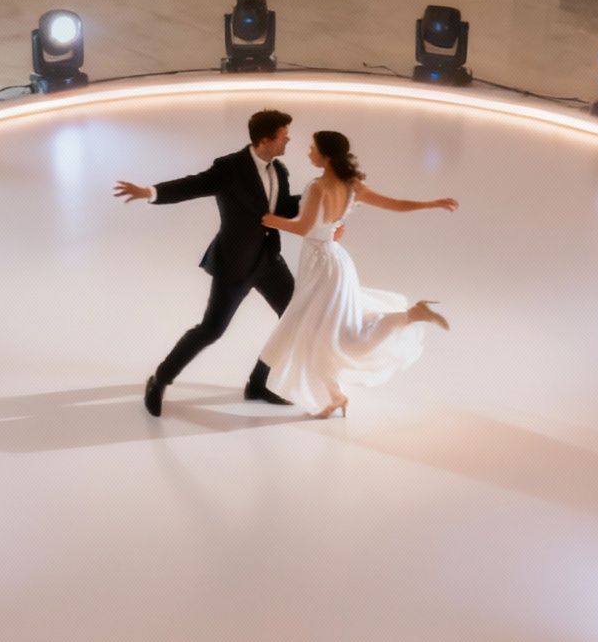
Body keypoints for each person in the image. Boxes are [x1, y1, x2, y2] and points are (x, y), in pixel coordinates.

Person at [114, 109, 305, 417]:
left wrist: (319, 198)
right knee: (211, 330)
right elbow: (192, 185)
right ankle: (160, 379)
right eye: (284, 136)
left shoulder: (278, 170)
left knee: (295, 319)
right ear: (265, 139)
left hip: (269, 261)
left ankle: (257, 383)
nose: (289, 141)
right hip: (235, 263)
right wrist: (150, 192)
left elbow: (280, 207)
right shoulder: (230, 168)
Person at [257, 130, 455, 418]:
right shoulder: (353, 186)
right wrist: (430, 203)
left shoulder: (318, 187)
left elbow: (303, 228)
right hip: (335, 261)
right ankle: (335, 396)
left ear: (325, 155)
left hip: (322, 265)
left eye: (312, 148)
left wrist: (270, 220)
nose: (309, 152)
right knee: (317, 335)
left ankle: (411, 315)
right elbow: (395, 204)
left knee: (330, 336)